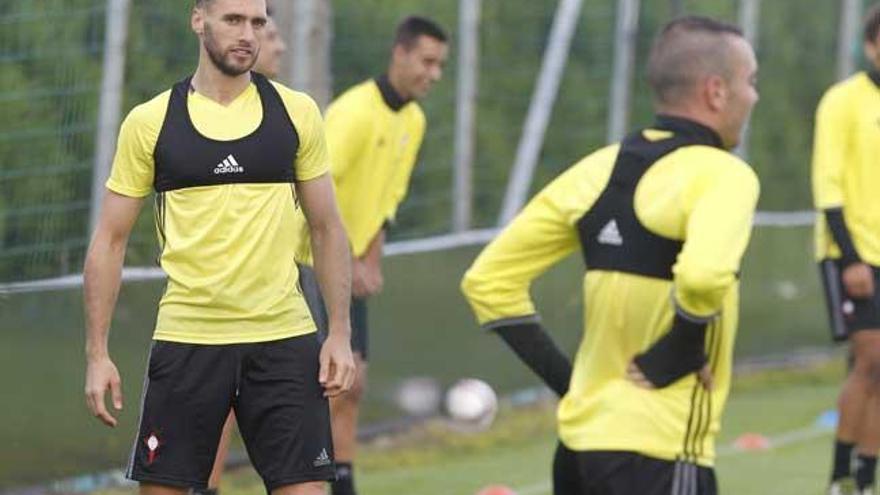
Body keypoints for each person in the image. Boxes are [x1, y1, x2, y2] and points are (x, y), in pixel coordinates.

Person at [462, 16, 759, 495]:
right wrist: (680, 347)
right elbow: (704, 277)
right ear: (716, 92)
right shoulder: (725, 175)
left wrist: (573, 385)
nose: (754, 97)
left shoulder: (598, 168)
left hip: (579, 450)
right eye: (751, 82)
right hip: (660, 449)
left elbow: (487, 280)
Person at [82, 1, 355, 495]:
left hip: (283, 337)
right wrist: (97, 353)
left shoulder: (296, 113)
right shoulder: (150, 122)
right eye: (233, 20)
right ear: (198, 20)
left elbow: (327, 228)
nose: (247, 33)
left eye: (257, 22)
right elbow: (109, 240)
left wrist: (339, 331)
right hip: (189, 339)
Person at [294, 15, 448, 495]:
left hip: (346, 267)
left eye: (440, 65)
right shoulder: (353, 113)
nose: (433, 74)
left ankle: (343, 483)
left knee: (352, 381)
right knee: (312, 387)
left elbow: (388, 200)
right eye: (426, 61)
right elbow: (315, 190)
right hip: (306, 263)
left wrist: (371, 259)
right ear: (399, 54)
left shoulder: (414, 120)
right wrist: (348, 260)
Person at [198, 8, 289, 494]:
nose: (266, 43)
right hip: (215, 304)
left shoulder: (294, 114)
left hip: (287, 286)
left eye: (263, 29)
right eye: (247, 26)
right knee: (222, 404)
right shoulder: (184, 116)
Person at [814, 4, 880, 495]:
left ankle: (864, 475)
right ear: (872, 46)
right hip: (853, 254)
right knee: (871, 359)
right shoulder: (843, 101)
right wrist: (851, 257)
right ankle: (839, 475)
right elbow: (828, 185)